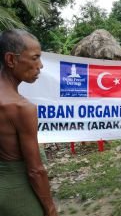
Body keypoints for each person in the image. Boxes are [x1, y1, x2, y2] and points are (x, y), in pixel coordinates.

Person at [0, 29, 58, 216]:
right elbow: (35, 170)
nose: (40, 66)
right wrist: (50, 208)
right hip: (16, 192)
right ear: (11, 60)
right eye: (34, 58)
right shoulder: (21, 108)